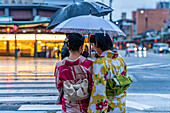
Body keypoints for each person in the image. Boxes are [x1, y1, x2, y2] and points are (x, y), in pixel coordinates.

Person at [88, 33, 127, 113]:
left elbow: (99, 88)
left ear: (98, 44)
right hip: (120, 103)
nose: (94, 48)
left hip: (108, 106)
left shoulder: (100, 62)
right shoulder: (120, 59)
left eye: (94, 45)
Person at [54, 33, 93, 113]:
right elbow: (91, 86)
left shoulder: (60, 65)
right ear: (81, 47)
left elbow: (59, 85)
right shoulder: (88, 64)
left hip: (68, 105)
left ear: (67, 46)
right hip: (84, 106)